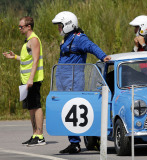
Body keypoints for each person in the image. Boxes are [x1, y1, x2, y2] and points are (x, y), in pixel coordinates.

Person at [52, 11, 111, 154]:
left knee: (76, 112)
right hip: (63, 81)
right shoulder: (68, 38)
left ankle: (80, 142)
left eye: (60, 25)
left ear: (68, 24)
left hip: (74, 81)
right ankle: (73, 143)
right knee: (68, 112)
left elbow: (92, 46)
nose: (59, 28)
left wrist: (103, 56)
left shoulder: (79, 38)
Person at [2, 16, 45, 146]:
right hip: (26, 80)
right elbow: (28, 59)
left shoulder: (34, 40)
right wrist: (14, 57)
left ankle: (40, 136)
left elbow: (36, 60)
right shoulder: (27, 41)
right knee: (30, 107)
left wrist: (31, 78)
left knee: (36, 106)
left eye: (21, 26)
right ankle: (34, 135)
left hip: (33, 80)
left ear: (29, 27)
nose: (19, 28)